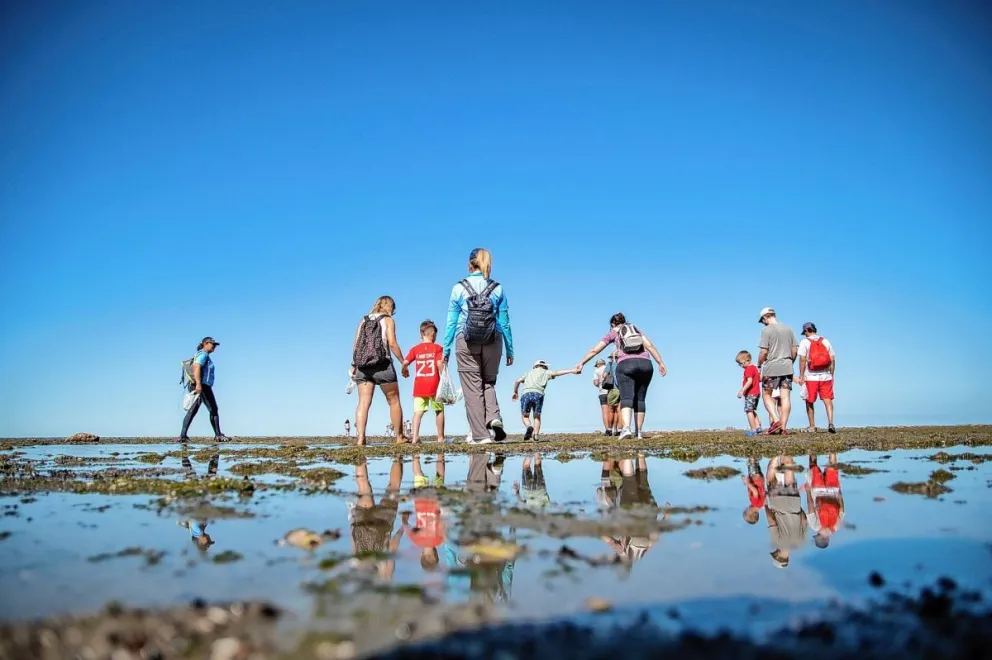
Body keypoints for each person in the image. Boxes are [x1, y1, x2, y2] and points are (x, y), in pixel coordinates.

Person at [442, 248, 514, 445]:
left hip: (465, 339)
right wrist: (510, 349)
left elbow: (451, 321)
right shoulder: (497, 288)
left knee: (472, 388)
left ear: (469, 264)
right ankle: (494, 417)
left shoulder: (458, 288)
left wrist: (445, 349)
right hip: (494, 339)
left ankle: (480, 436)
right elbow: (505, 321)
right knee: (488, 382)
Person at [575, 313, 668, 440]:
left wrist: (582, 363)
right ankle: (639, 432)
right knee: (640, 399)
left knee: (626, 397)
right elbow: (650, 346)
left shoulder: (613, 332)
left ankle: (626, 429)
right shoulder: (635, 329)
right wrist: (660, 362)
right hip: (646, 364)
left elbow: (595, 350)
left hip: (626, 364)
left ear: (613, 324)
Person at [351, 296, 408, 446]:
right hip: (382, 365)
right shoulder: (388, 320)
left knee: (363, 402)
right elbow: (393, 343)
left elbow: (356, 345)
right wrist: (403, 362)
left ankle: (361, 438)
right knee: (394, 401)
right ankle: (399, 437)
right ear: (390, 307)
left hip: (363, 367)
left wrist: (354, 364)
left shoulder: (363, 320)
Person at [400, 320, 447, 444]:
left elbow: (405, 362)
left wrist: (404, 370)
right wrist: (444, 376)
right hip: (434, 385)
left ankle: (415, 437)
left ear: (422, 335)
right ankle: (440, 438)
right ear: (433, 335)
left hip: (419, 386)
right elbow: (439, 364)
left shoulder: (415, 349)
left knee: (418, 412)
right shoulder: (438, 348)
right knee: (439, 410)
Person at [511, 361, 579, 441]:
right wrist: (571, 371)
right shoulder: (546, 372)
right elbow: (557, 373)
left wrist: (515, 391)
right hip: (539, 394)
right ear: (544, 366)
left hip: (526, 393)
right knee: (537, 416)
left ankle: (529, 426)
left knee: (525, 415)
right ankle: (536, 435)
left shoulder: (528, 373)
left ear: (535, 366)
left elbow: (517, 381)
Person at [178, 337, 230, 443]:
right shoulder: (203, 354)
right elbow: (196, 366)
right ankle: (218, 435)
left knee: (192, 411)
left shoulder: (199, 354)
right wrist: (198, 384)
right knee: (214, 409)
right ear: (206, 343)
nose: (214, 346)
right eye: (213, 344)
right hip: (202, 385)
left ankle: (183, 436)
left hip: (196, 385)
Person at [756, 307, 798, 435]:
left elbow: (764, 351)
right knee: (785, 397)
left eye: (762, 320)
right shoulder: (788, 329)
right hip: (787, 366)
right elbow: (795, 350)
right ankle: (783, 427)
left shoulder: (766, 330)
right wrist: (790, 362)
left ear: (765, 317)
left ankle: (776, 420)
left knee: (766, 394)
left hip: (772, 367)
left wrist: (759, 365)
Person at [403, 453, 446, 571]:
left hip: (435, 501)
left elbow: (444, 523)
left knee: (439, 477)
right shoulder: (416, 540)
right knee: (418, 474)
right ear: (421, 554)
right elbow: (406, 525)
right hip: (420, 502)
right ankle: (415, 454)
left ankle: (440, 454)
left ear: (436, 555)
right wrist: (405, 516)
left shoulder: (440, 540)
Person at [765, 455, 808, 568]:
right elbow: (772, 521)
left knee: (790, 483)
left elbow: (804, 520)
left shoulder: (799, 542)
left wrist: (798, 509)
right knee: (771, 481)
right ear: (777, 555)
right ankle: (775, 457)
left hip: (794, 506)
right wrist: (765, 506)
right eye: (775, 553)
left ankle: (788, 456)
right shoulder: (778, 542)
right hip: (779, 505)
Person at [797, 322, 837, 434]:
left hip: (811, 376)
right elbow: (832, 359)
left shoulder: (805, 342)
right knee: (827, 399)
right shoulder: (825, 341)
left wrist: (801, 375)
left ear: (806, 331)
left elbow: (802, 360)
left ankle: (812, 426)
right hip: (826, 376)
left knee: (809, 400)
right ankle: (830, 422)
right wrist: (831, 374)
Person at [805, 453, 844, 549]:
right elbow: (810, 507)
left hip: (833, 491)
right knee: (813, 466)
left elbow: (842, 509)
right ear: (820, 538)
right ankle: (812, 447)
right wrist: (808, 491)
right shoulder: (815, 527)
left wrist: (839, 494)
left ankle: (833, 450)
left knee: (832, 466)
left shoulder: (836, 527)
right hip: (817, 491)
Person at [736, 351, 763, 435]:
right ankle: (758, 426)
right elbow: (759, 379)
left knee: (748, 411)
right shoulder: (755, 368)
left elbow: (749, 381)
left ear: (747, 360)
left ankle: (753, 429)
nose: (740, 366)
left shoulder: (748, 369)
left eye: (741, 363)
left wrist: (742, 390)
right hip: (757, 393)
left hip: (751, 393)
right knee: (752, 410)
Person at [594, 356, 619, 436]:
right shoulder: (610, 366)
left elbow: (596, 383)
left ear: (597, 365)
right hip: (613, 390)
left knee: (605, 412)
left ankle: (608, 430)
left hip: (603, 392)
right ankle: (616, 429)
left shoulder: (597, 370)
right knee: (615, 411)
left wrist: (600, 384)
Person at [741, 458, 766, 525]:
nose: (746, 508)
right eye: (746, 511)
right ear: (753, 513)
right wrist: (747, 483)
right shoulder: (755, 503)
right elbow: (755, 492)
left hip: (760, 479)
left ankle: (755, 456)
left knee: (755, 463)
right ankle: (752, 454)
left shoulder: (761, 505)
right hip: (755, 479)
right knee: (751, 462)